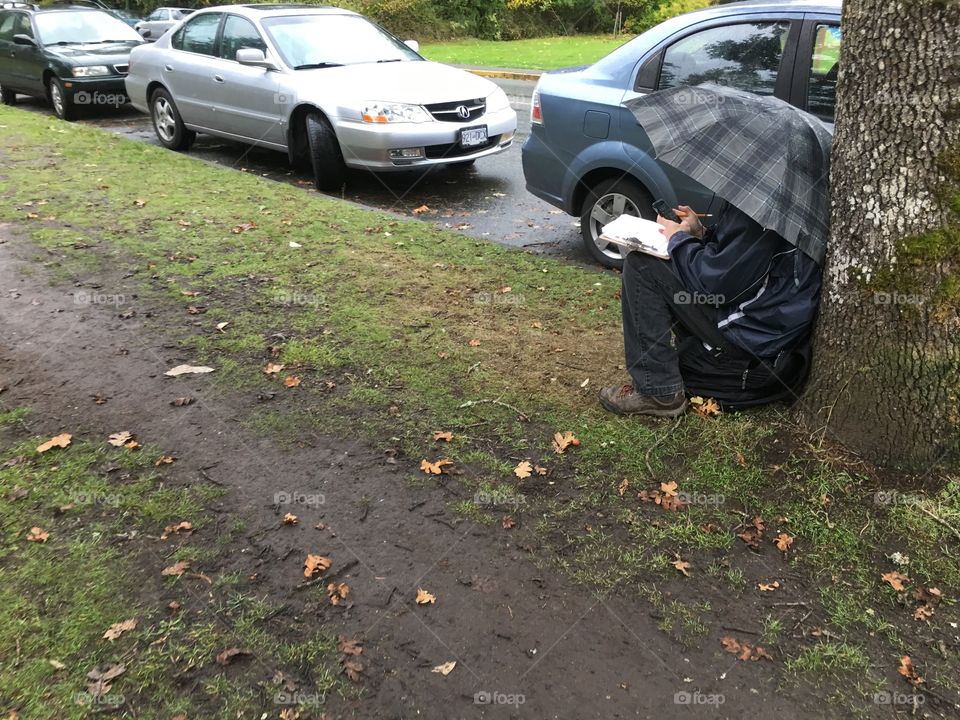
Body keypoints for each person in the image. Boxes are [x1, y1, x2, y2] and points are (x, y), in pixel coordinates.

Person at [598, 200, 822, 417]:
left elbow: (714, 282)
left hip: (751, 333)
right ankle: (669, 375)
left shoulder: (763, 206)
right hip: (764, 324)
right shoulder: (772, 199)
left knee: (642, 266)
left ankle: (659, 392)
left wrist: (677, 237)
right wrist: (701, 232)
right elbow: (736, 256)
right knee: (665, 268)